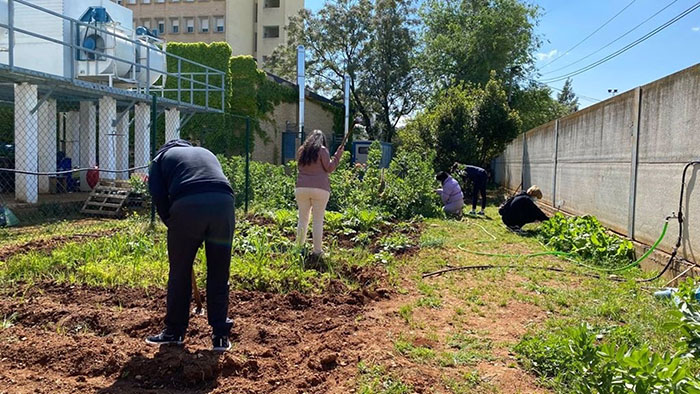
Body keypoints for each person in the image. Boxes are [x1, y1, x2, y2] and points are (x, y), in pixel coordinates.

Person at [146, 139, 235, 352]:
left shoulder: (159, 160)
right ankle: (220, 336)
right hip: (224, 204)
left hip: (188, 205)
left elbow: (158, 195)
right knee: (219, 271)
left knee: (180, 271)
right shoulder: (206, 151)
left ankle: (174, 332)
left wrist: (173, 223)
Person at [296, 130, 344, 257]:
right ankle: (317, 251)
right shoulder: (322, 150)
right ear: (322, 140)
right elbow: (329, 168)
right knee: (317, 220)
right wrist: (337, 156)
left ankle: (298, 248)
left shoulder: (302, 150)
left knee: (302, 219)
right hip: (320, 189)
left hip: (301, 188)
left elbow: (299, 167)